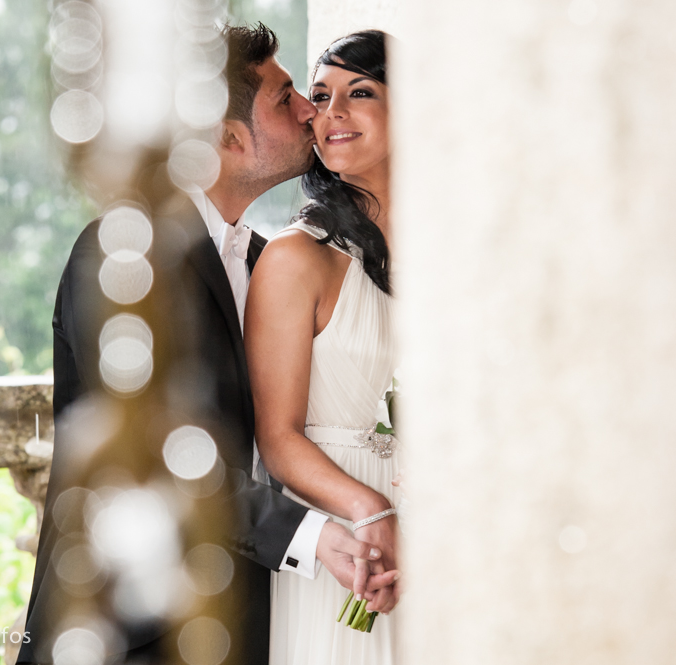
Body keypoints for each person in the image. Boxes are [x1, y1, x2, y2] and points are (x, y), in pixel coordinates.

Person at [16, 24, 398, 665]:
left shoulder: (258, 255)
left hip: (242, 619)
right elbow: (159, 455)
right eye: (288, 99)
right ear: (226, 136)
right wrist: (314, 534)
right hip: (135, 627)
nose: (311, 110)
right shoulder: (126, 263)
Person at [245, 30, 400, 665]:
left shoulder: (464, 255)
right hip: (346, 539)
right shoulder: (296, 258)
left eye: (358, 92)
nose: (329, 114)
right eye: (318, 95)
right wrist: (370, 510)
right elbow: (276, 438)